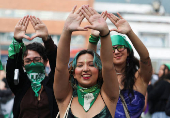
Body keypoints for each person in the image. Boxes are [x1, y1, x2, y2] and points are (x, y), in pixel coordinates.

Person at [53, 5, 119, 118]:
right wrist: (66, 31)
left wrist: (104, 32)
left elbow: (108, 66)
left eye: (91, 64)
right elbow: (61, 67)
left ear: (99, 70)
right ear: (73, 72)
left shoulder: (108, 96)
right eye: (79, 65)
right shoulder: (65, 98)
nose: (85, 69)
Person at [88, 12, 152, 118]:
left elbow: (145, 58)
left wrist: (130, 32)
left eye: (120, 47)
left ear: (128, 52)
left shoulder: (140, 77)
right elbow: (89, 61)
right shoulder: (101, 77)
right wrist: (94, 37)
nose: (116, 52)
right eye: (112, 49)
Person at [6, 15, 58, 118]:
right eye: (28, 61)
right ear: (23, 65)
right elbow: (12, 68)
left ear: (45, 61)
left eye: (36, 60)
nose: (32, 63)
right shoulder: (20, 84)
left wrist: (47, 40)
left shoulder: (53, 83)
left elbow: (58, 65)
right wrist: (17, 40)